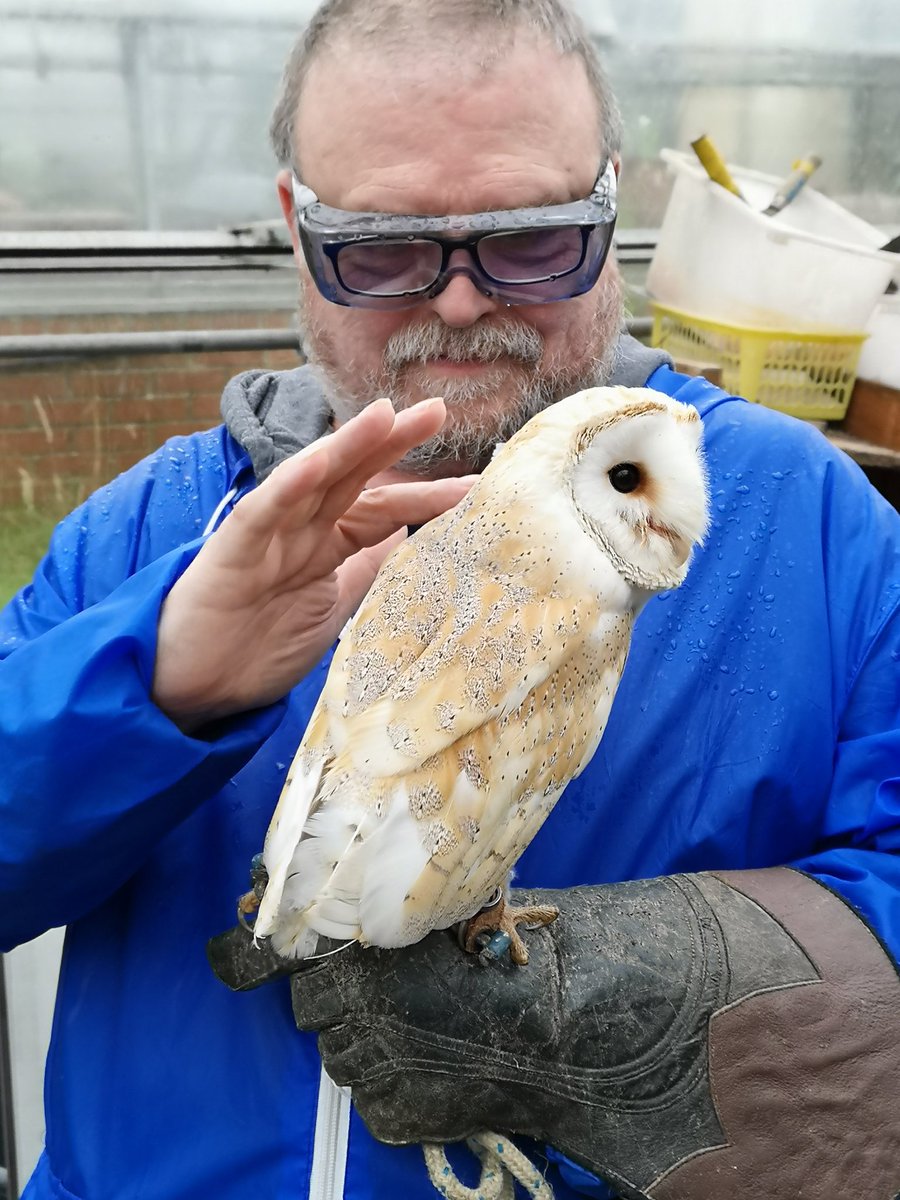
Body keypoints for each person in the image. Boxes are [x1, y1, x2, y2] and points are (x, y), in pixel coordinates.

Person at [2, 1, 899, 1197]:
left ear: (609, 210)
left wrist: (662, 982)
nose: (463, 302)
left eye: (534, 241)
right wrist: (149, 686)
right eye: (380, 251)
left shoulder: (805, 524)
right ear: (297, 228)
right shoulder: (151, 532)